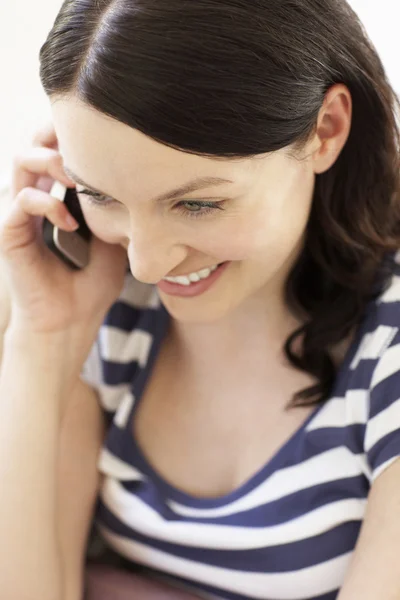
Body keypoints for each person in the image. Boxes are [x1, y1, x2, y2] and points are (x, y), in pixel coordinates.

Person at [1, 0, 400, 599]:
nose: (145, 261)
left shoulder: (386, 349)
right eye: (101, 195)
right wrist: (44, 338)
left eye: (196, 203)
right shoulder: (102, 302)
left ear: (326, 130)